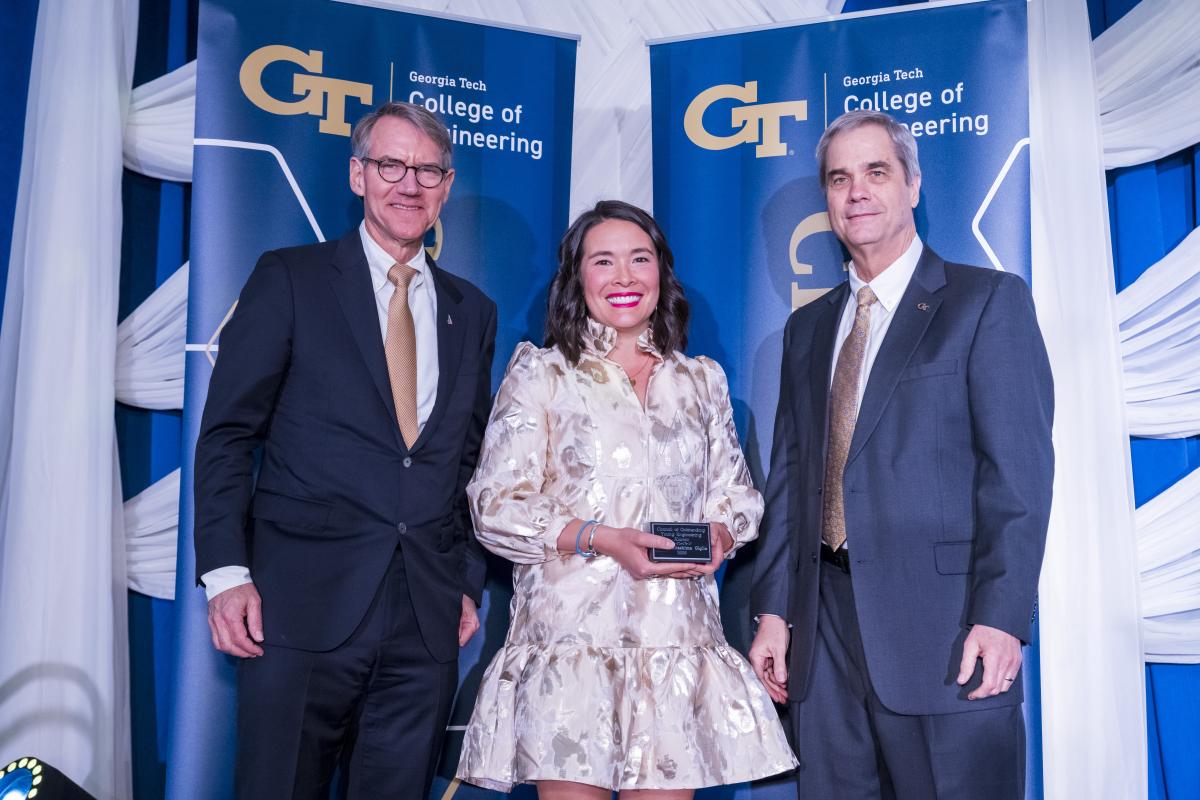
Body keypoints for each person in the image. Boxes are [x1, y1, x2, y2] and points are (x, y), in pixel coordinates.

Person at [193, 101, 497, 798]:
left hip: (423, 623)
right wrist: (226, 574)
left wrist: (465, 580)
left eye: (427, 170)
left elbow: (470, 459)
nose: (409, 184)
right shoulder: (290, 278)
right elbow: (229, 435)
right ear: (358, 175)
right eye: (391, 165)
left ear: (447, 186)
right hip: (297, 607)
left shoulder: (472, 310)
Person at [748, 108, 1054, 799]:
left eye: (876, 172)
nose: (856, 191)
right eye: (839, 178)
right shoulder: (806, 328)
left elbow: (1019, 478)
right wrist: (772, 612)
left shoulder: (986, 302)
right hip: (823, 638)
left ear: (913, 185)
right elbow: (792, 481)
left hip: (946, 634)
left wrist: (1002, 616)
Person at [455, 200, 797, 798]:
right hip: (570, 651)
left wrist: (720, 533)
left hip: (674, 645)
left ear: (661, 273)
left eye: (639, 259)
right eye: (603, 261)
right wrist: (601, 538)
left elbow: (737, 494)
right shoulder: (542, 374)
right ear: (576, 277)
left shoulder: (700, 380)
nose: (623, 277)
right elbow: (496, 506)